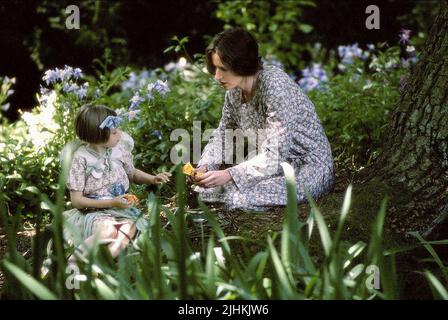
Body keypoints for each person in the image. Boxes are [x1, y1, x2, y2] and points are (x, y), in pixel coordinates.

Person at [193, 28, 335, 211]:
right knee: (203, 190)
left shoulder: (275, 86)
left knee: (240, 199)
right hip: (271, 167)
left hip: (306, 168)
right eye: (215, 68)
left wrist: (230, 174)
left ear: (242, 64)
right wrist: (205, 166)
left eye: (223, 69)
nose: (217, 77)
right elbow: (224, 135)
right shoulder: (234, 92)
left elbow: (275, 154)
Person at [62, 104, 171, 259]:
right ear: (97, 135)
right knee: (108, 230)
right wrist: (112, 202)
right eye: (114, 132)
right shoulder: (81, 159)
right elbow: (77, 200)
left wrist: (152, 179)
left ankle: (103, 261)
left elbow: (132, 173)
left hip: (121, 209)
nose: (119, 134)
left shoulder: (119, 150)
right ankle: (75, 261)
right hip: (96, 211)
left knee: (129, 228)